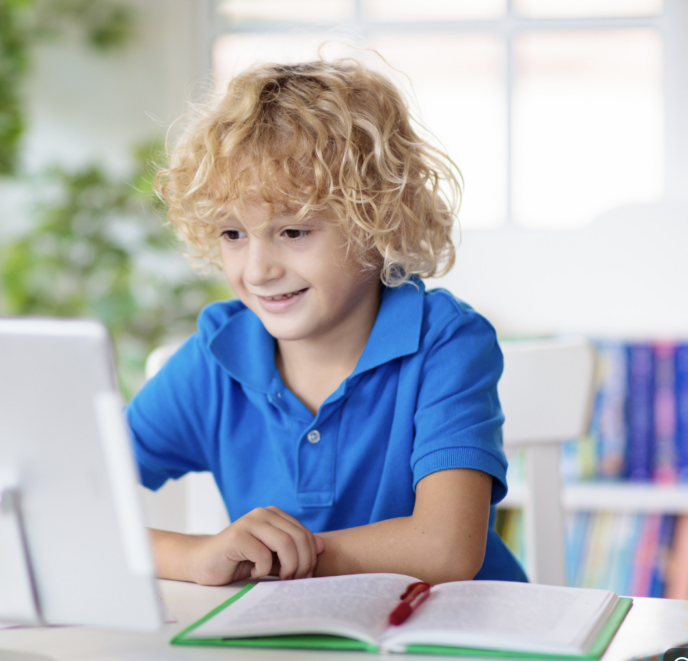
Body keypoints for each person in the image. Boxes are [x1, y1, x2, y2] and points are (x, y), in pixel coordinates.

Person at [127, 58, 527, 586]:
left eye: (292, 231)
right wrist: (199, 556)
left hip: (454, 635)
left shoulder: (445, 341)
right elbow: (69, 500)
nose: (258, 269)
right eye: (232, 234)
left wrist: (272, 556)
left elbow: (447, 547)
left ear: (378, 220)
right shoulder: (217, 355)